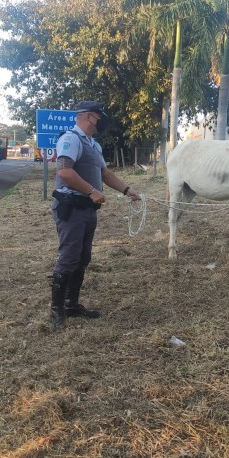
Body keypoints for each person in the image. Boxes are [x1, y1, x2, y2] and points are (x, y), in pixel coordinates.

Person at [50, 101, 142, 329]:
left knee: (83, 258)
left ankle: (72, 305)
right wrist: (91, 191)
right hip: (71, 208)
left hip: (88, 208)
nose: (103, 121)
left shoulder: (94, 145)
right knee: (69, 258)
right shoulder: (70, 139)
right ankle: (56, 311)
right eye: (101, 116)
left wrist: (127, 190)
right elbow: (64, 171)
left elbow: (105, 174)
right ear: (90, 117)